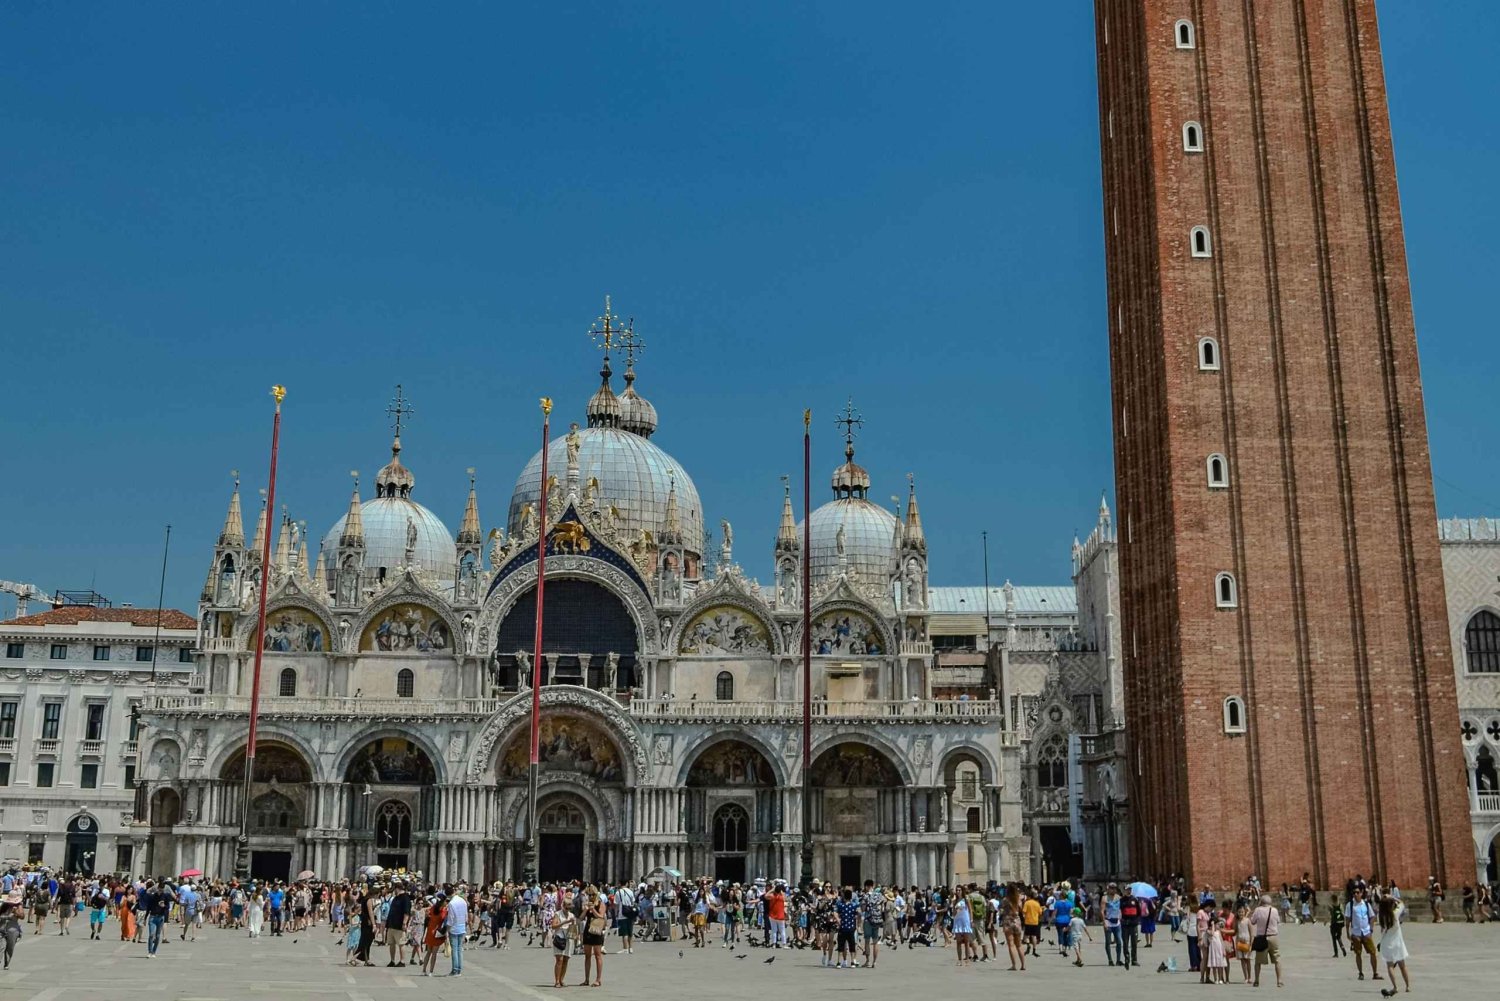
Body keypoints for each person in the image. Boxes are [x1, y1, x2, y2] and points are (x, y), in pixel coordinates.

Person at [1346, 886, 1382, 982]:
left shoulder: (1366, 904)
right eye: (1354, 893)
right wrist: (1347, 933)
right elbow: (1347, 920)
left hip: (1366, 932)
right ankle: (1360, 973)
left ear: (1361, 893)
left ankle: (1375, 973)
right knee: (1358, 953)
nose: (1355, 894)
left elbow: (1372, 917)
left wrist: (1370, 928)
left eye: (1357, 892)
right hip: (1356, 932)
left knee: (1373, 952)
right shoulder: (1350, 905)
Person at [1377, 894, 1410, 995]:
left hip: (1387, 943)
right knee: (1402, 966)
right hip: (1398, 943)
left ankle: (1395, 987)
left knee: (1390, 966)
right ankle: (1407, 986)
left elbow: (1382, 930)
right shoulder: (1395, 914)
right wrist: (1392, 897)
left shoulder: (1381, 917)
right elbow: (1402, 904)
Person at [1249, 893, 1283, 988]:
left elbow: (1252, 921)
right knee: (1277, 959)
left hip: (1261, 938)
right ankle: (1279, 980)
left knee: (1258, 961)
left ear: (1261, 902)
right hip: (1273, 937)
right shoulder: (1274, 910)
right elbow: (1278, 921)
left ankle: (1256, 980)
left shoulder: (1258, 910)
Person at [580, 886, 606, 986]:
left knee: (597, 955)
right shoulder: (587, 903)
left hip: (597, 929)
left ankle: (598, 979)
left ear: (596, 894)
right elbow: (581, 918)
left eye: (592, 895)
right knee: (587, 956)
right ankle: (586, 979)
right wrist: (585, 910)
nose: (590, 896)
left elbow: (601, 916)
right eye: (588, 895)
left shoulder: (601, 903)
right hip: (588, 929)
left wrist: (593, 910)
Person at [551, 893, 577, 988]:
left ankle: (562, 980)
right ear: (563, 906)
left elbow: (574, 929)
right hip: (559, 938)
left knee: (566, 959)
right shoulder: (558, 914)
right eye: (567, 908)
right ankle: (557, 981)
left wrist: (573, 924)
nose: (568, 910)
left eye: (570, 908)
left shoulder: (572, 915)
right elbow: (553, 926)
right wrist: (564, 922)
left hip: (568, 939)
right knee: (559, 960)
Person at [444, 886, 468, 977]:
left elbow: (450, 918)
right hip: (462, 927)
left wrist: (447, 930)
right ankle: (459, 969)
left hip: (454, 928)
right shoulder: (463, 900)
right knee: (459, 950)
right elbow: (466, 916)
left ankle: (455, 970)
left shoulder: (452, 903)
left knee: (454, 950)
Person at [385, 884, 411, 967]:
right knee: (391, 943)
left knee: (401, 943)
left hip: (399, 924)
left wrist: (404, 923)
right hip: (391, 924)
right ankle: (392, 960)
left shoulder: (405, 898)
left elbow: (407, 912)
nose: (394, 891)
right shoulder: (395, 898)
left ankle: (402, 961)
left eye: (394, 889)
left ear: (398, 889)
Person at [145, 881, 172, 958]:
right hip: (152, 917)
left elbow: (168, 907)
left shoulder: (165, 896)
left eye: (162, 890)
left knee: (157, 936)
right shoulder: (153, 896)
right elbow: (148, 907)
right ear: (157, 889)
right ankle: (149, 951)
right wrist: (145, 918)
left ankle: (154, 952)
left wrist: (164, 906)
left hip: (160, 917)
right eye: (160, 890)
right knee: (151, 935)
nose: (161, 891)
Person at [614, 881, 635, 954]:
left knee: (624, 933)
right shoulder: (630, 892)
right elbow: (633, 902)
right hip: (630, 913)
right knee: (630, 932)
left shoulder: (618, 892)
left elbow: (616, 904)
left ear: (620, 884)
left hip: (622, 914)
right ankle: (631, 948)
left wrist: (616, 913)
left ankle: (625, 948)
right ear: (626, 883)